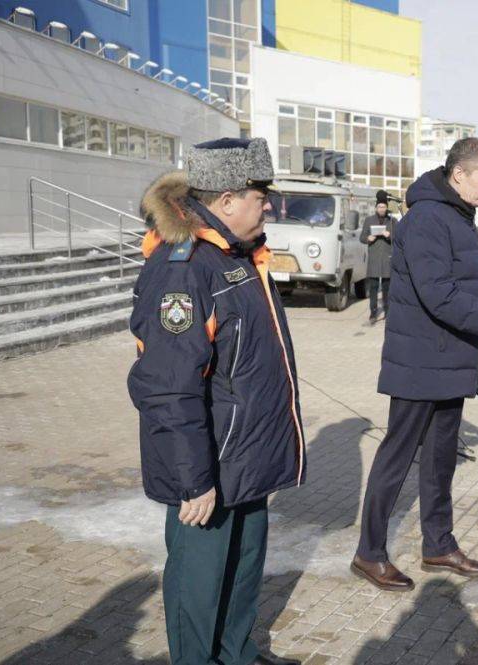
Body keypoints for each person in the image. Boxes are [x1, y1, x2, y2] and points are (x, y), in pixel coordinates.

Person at [128, 138, 303, 665]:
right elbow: (167, 386)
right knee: (198, 585)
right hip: (208, 466)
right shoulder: (184, 268)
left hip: (246, 455)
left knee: (244, 569)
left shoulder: (240, 254)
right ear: (227, 200)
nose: (267, 203)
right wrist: (193, 479)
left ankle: (237, 655)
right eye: (260, 193)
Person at [352, 138, 478, 591]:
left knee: (440, 459)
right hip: (419, 362)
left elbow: (463, 289)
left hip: (449, 360)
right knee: (397, 457)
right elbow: (441, 296)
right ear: (458, 174)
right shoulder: (430, 218)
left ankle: (438, 545)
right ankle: (369, 553)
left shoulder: (454, 215)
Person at [359, 190, 397, 324]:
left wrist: (389, 235)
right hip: (374, 259)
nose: (381, 209)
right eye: (379, 207)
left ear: (387, 208)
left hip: (387, 259)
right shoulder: (369, 220)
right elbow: (362, 237)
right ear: (376, 208)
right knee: (374, 288)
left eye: (384, 207)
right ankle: (373, 313)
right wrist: (368, 238)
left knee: (387, 289)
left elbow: (398, 238)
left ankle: (388, 312)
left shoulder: (392, 221)